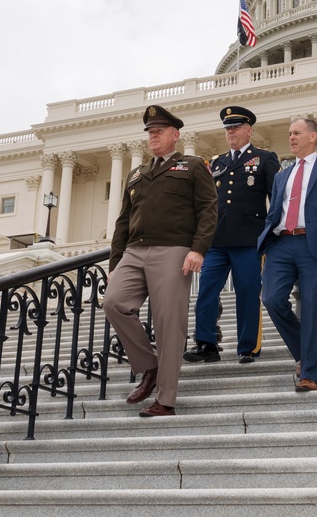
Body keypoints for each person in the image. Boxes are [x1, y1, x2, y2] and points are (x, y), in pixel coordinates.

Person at [103, 105, 218, 417]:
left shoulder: (193, 166)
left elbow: (209, 209)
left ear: (175, 134)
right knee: (113, 303)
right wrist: (114, 264)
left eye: (159, 131)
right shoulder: (136, 173)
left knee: (169, 323)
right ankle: (148, 365)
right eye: (150, 132)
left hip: (173, 251)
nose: (152, 135)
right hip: (134, 251)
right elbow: (123, 222)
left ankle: (165, 399)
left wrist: (198, 249)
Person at [185, 106, 279, 364]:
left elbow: (276, 198)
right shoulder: (217, 162)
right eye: (228, 128)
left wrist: (272, 234)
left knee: (248, 292)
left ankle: (247, 346)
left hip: (249, 240)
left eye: (236, 127)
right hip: (217, 241)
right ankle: (206, 344)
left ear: (249, 130)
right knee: (206, 291)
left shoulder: (264, 158)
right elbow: (207, 204)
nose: (231, 132)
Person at [258, 118, 317, 392]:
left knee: (314, 308)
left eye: (296, 133)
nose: (291, 137)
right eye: (289, 134)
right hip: (281, 244)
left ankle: (310, 374)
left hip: (314, 244)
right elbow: (275, 211)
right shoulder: (283, 174)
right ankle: (304, 352)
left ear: (313, 137)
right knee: (271, 299)